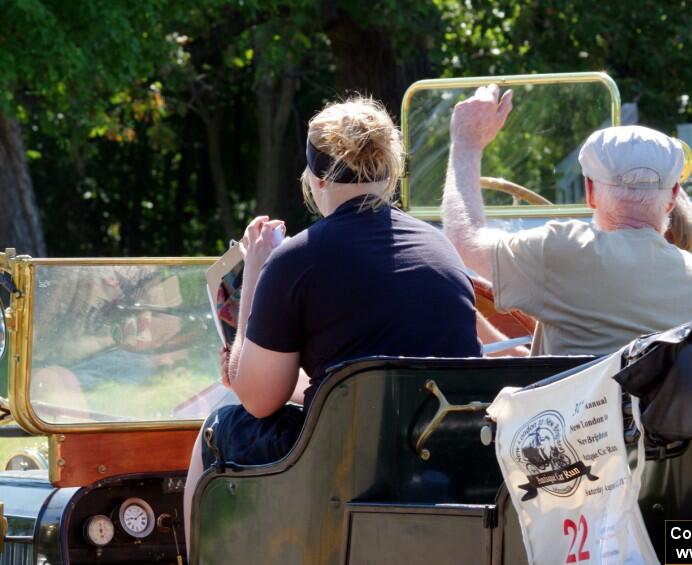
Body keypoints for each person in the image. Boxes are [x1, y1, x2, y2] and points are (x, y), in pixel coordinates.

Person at [183, 96, 481, 551]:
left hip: (342, 462)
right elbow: (370, 374)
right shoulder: (441, 248)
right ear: (391, 172)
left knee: (217, 428)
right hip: (441, 455)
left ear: (316, 179)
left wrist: (257, 271)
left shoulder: (297, 259)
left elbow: (259, 401)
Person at [442, 84, 692, 357]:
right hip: (660, 414)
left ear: (590, 192)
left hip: (573, 412)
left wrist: (466, 143)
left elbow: (465, 240)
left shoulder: (562, 251)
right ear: (672, 196)